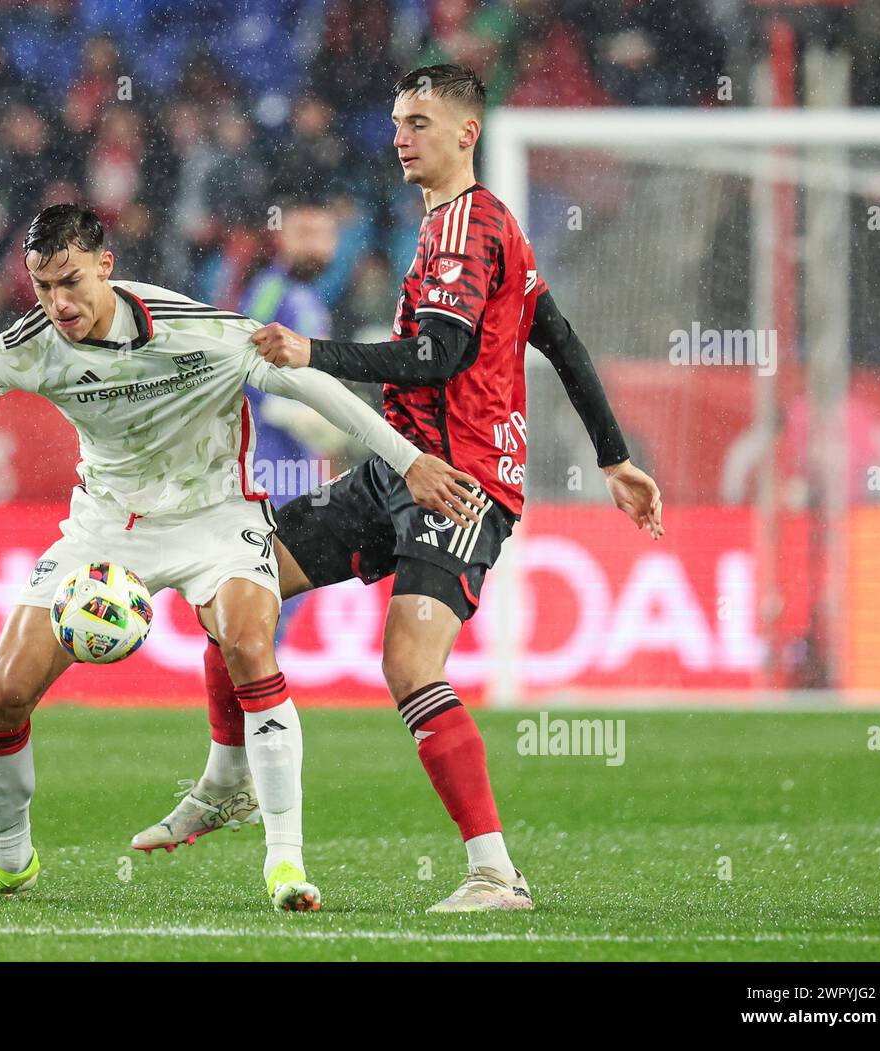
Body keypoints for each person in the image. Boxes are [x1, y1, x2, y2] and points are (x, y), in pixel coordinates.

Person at [0, 204, 478, 912]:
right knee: (1, 698)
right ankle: (10, 859)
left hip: (216, 517)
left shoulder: (200, 329)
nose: (58, 304)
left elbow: (315, 388)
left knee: (247, 639)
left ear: (105, 265)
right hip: (106, 530)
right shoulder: (31, 348)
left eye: (70, 281)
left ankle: (285, 861)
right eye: (42, 287)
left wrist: (408, 461)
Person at [131, 65, 664, 913]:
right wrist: (613, 455)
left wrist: (317, 353)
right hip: (398, 466)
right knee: (240, 588)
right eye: (396, 121)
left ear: (466, 133)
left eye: (419, 121)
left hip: (460, 481)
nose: (401, 136)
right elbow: (557, 337)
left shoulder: (464, 234)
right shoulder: (475, 224)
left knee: (408, 661)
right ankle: (226, 780)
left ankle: (496, 872)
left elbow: (438, 358)